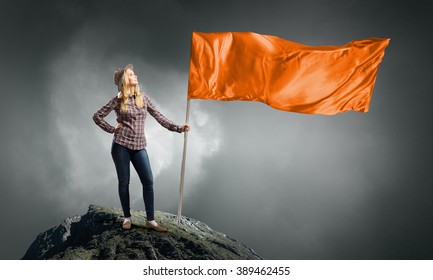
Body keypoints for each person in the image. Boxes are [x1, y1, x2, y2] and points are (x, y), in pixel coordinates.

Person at [93, 64, 190, 232]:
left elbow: (159, 117)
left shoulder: (143, 98)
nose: (135, 75)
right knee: (124, 182)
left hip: (139, 147)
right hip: (120, 146)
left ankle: (150, 221)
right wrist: (112, 129)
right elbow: (97, 116)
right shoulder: (118, 100)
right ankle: (127, 218)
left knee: (148, 181)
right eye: (131, 74)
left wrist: (178, 128)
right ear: (125, 80)